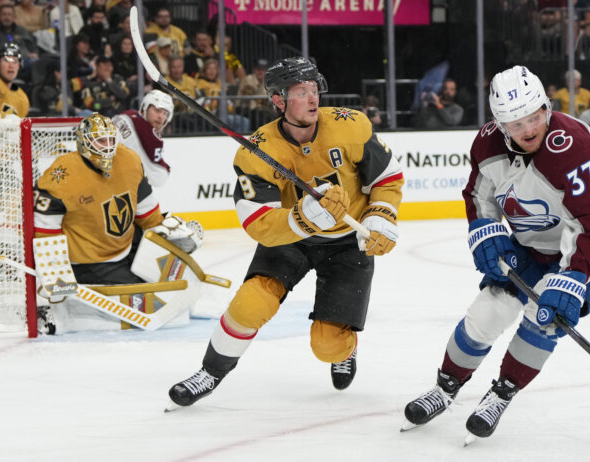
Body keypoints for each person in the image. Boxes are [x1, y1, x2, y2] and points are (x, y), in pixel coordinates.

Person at [401, 65, 590, 440]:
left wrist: (575, 275)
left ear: (547, 107)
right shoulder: (486, 144)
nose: (529, 130)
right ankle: (446, 387)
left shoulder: (572, 146)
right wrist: (484, 228)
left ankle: (502, 393)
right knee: (489, 308)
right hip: (537, 236)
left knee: (545, 316)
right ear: (499, 124)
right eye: (516, 124)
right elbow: (479, 195)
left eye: (535, 117)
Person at [166, 56, 404, 410]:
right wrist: (303, 218)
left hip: (347, 244)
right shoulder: (257, 151)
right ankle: (210, 372)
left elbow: (386, 178)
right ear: (278, 100)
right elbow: (258, 222)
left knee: (327, 346)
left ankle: (345, 347)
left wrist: (380, 218)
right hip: (291, 239)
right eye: (300, 92)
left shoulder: (350, 126)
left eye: (314, 89)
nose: (312, 99)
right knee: (251, 302)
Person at [32, 113, 202, 335]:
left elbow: (147, 213)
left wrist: (165, 231)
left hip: (127, 245)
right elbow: (46, 230)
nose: (108, 147)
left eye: (112, 140)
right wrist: (55, 274)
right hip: (91, 261)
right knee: (152, 298)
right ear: (84, 142)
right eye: (101, 141)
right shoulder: (61, 174)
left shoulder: (129, 159)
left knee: (173, 276)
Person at [112, 90, 174, 188]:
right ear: (145, 107)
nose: (161, 117)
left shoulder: (129, 113)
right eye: (157, 110)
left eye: (165, 113)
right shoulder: (150, 135)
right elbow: (159, 178)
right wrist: (167, 169)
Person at [0, 43, 30, 120]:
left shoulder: (23, 98)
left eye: (15, 61)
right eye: (6, 60)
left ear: (19, 66)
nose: (11, 65)